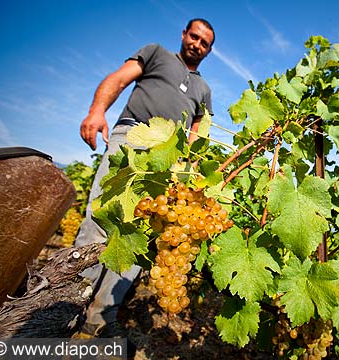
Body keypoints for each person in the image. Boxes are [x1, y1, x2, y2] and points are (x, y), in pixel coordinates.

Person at [73, 18, 215, 338]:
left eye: (205, 43)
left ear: (209, 50)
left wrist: (188, 168)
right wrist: (97, 110)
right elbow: (120, 79)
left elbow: (197, 133)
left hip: (169, 160)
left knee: (141, 238)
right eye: (194, 37)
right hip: (132, 138)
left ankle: (99, 318)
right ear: (184, 35)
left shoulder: (204, 90)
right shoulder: (155, 53)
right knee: (101, 217)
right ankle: (69, 305)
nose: (197, 44)